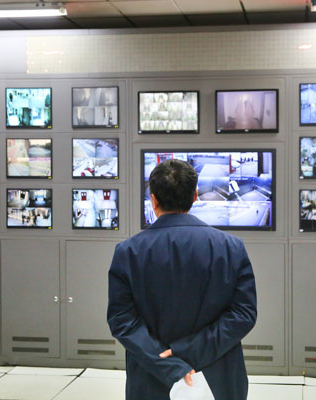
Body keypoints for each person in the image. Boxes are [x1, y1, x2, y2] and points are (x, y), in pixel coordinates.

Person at [107, 159, 257, 400]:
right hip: (218, 377)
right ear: (195, 195)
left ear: (153, 200)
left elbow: (122, 321)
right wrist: (188, 350)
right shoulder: (231, 247)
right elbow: (243, 315)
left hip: (152, 379)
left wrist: (169, 362)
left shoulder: (128, 252)